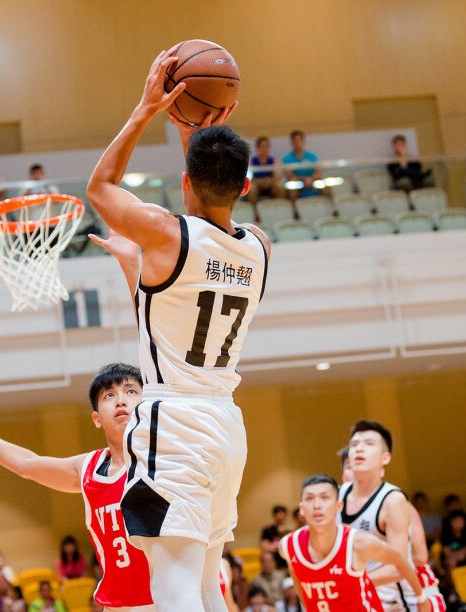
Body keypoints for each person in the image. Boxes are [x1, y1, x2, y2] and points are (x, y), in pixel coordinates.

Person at [85, 47, 268, 612]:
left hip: (177, 423)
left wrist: (147, 109)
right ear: (244, 187)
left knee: (171, 576)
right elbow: (183, 295)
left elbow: (101, 187)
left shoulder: (168, 236)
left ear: (184, 180)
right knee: (208, 578)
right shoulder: (259, 247)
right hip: (224, 427)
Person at [0, 363, 154, 611]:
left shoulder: (164, 460)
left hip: (164, 599)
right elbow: (27, 464)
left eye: (131, 391)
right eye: (109, 395)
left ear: (147, 406)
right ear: (96, 418)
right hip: (116, 605)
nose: (121, 400)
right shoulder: (88, 469)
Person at [279, 474, 430, 611]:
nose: (317, 505)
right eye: (309, 498)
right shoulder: (288, 546)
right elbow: (298, 579)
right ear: (301, 509)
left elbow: (399, 559)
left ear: (339, 506)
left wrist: (421, 598)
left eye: (325, 498)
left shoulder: (358, 543)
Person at [338, 420, 437, 611]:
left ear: (385, 458)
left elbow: (403, 565)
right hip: (363, 599)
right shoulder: (337, 496)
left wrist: (348, 583)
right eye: (354, 444)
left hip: (399, 603)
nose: (359, 449)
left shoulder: (393, 501)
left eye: (368, 444)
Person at [282, 130, 322, 201]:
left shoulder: (312, 156)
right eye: (295, 141)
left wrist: (311, 179)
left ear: (303, 141)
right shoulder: (287, 158)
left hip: (312, 181)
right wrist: (303, 180)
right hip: (297, 182)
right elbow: (289, 175)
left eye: (299, 140)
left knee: (326, 185)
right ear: (292, 142)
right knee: (292, 185)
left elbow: (318, 172)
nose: (297, 143)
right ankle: (295, 210)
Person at [247, 136, 284, 204]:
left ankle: (279, 207)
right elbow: (249, 178)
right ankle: (254, 212)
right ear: (257, 148)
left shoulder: (274, 161)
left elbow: (278, 176)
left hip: (271, 185)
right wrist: (259, 181)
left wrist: (270, 181)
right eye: (262, 147)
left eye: (266, 147)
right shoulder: (252, 162)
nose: (264, 149)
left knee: (280, 186)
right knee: (252, 188)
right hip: (257, 185)